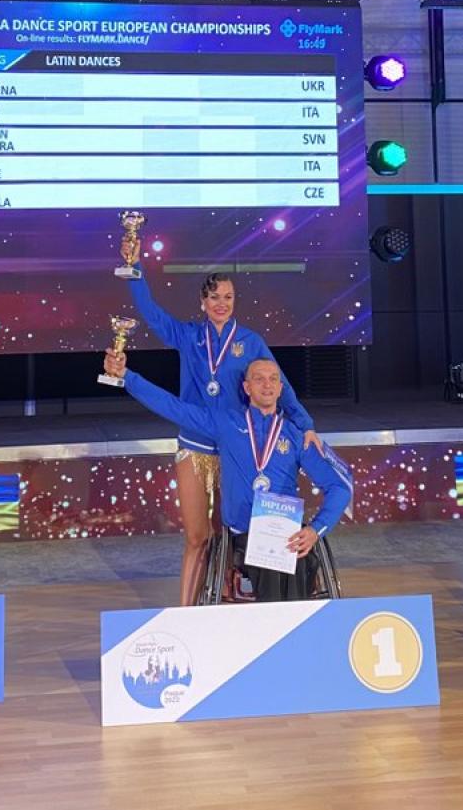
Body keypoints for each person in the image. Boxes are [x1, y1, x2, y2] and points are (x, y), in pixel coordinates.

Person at [120, 241, 321, 605]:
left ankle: (228, 594)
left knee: (231, 531)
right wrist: (135, 267)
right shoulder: (189, 336)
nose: (221, 303)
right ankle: (186, 613)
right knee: (197, 536)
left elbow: (280, 384)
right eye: (214, 297)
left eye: (228, 297)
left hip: (239, 446)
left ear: (234, 302)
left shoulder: (250, 341)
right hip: (196, 444)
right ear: (202, 302)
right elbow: (150, 312)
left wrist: (304, 423)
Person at [104, 350, 350, 602]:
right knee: (275, 565)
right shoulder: (225, 423)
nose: (267, 384)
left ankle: (289, 630)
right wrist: (125, 375)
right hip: (246, 532)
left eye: (273, 379)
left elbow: (339, 487)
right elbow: (173, 407)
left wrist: (315, 529)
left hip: (288, 531)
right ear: (246, 387)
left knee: (299, 559)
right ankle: (284, 630)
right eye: (259, 379)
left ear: (280, 388)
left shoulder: (297, 436)